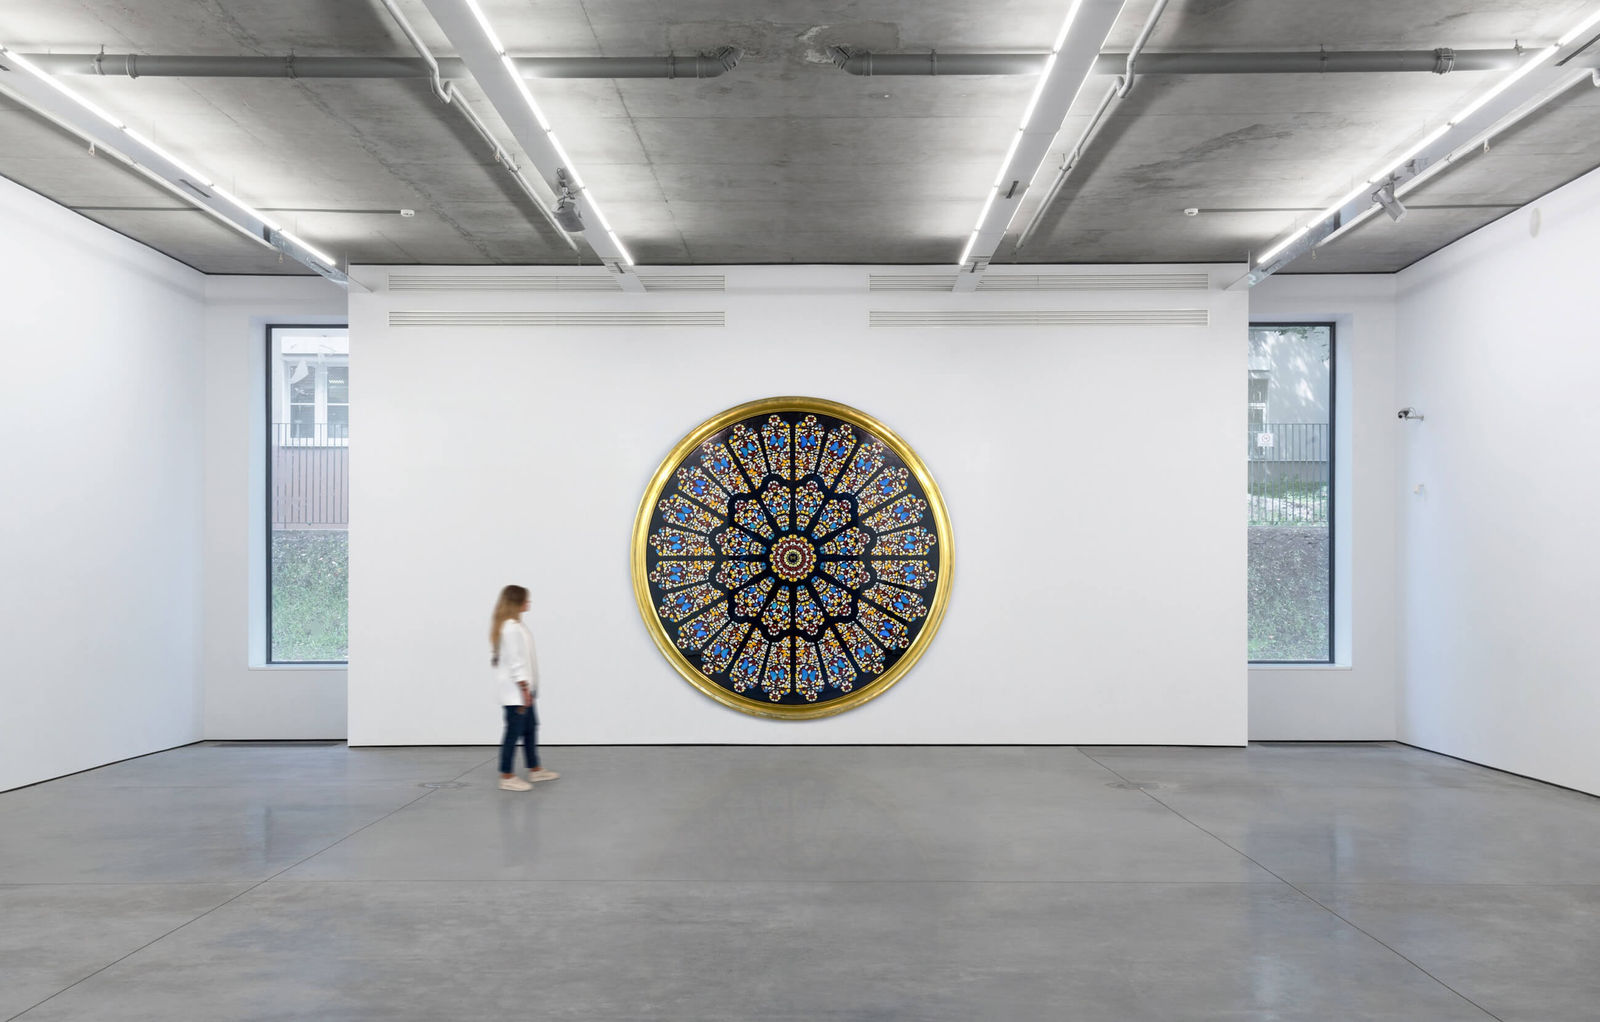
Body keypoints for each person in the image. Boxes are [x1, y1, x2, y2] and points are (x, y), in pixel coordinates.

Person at [490, 584, 558, 791]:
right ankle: (507, 775)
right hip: (517, 693)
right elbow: (515, 662)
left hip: (523, 690)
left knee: (530, 729)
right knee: (513, 732)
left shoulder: (515, 625)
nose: (529, 603)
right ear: (517, 602)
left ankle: (535, 769)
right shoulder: (510, 628)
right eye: (526, 600)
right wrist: (524, 689)